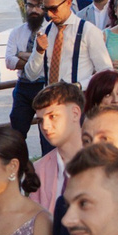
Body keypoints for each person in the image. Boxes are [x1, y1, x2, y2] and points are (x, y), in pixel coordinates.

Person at [26, 0, 112, 101]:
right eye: (46, 9)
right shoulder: (45, 32)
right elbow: (31, 75)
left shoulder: (88, 30)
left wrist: (79, 85)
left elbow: (106, 72)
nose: (49, 14)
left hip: (79, 102)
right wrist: (39, 52)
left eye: (54, 9)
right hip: (51, 103)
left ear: (68, 3)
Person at [30, 81, 88, 209]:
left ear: (75, 113)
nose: (45, 126)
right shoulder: (39, 169)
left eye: (52, 116)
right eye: (40, 120)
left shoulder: (104, 161)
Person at [4, 0, 49, 137]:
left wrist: (22, 54)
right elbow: (9, 61)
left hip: (45, 85)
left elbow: (48, 61)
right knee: (16, 132)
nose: (34, 10)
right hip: (23, 86)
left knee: (48, 132)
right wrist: (37, 56)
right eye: (30, 5)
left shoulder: (51, 30)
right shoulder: (16, 32)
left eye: (39, 6)